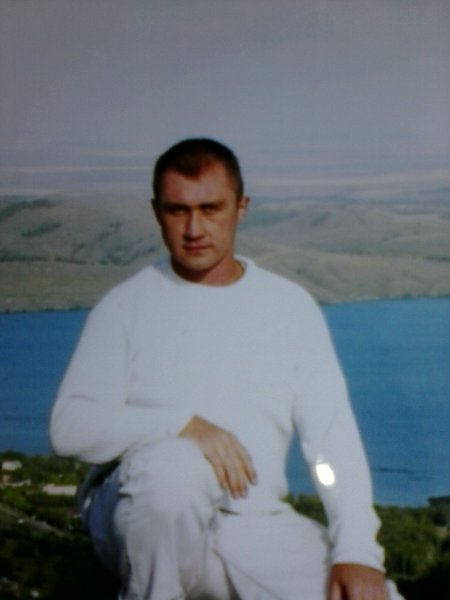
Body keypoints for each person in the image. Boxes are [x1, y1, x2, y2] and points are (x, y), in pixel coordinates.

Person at [50, 138, 403, 600]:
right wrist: (183, 425)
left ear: (241, 208)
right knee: (176, 468)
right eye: (178, 211)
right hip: (142, 516)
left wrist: (357, 550)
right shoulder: (125, 307)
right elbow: (69, 428)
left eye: (210, 209)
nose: (194, 228)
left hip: (252, 521)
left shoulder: (288, 307)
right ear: (157, 212)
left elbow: (330, 438)